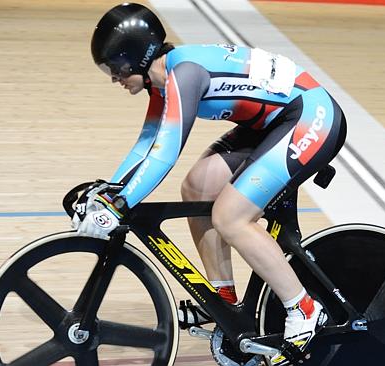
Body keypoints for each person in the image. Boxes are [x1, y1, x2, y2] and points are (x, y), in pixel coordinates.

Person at [76, 3, 346, 364]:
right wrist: (112, 190)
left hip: (309, 116)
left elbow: (165, 152)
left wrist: (122, 204)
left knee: (231, 217)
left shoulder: (183, 74)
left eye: (116, 67)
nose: (114, 77)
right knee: (197, 186)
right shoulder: (164, 81)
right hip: (272, 123)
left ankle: (304, 309)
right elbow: (147, 143)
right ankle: (225, 301)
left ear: (138, 58)